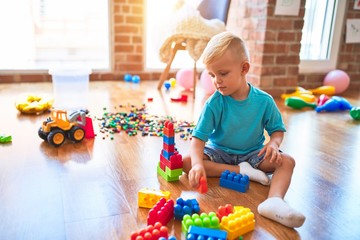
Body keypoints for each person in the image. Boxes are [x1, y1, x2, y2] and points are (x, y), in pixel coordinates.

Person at [182, 31, 306, 228]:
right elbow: (198, 140)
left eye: (222, 74)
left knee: (287, 162)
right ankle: (241, 171)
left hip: (252, 154)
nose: (217, 81)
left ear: (244, 68)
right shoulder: (214, 103)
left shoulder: (264, 101)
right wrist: (198, 165)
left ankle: (274, 201)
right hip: (219, 153)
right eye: (212, 75)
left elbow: (277, 130)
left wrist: (273, 144)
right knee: (187, 162)